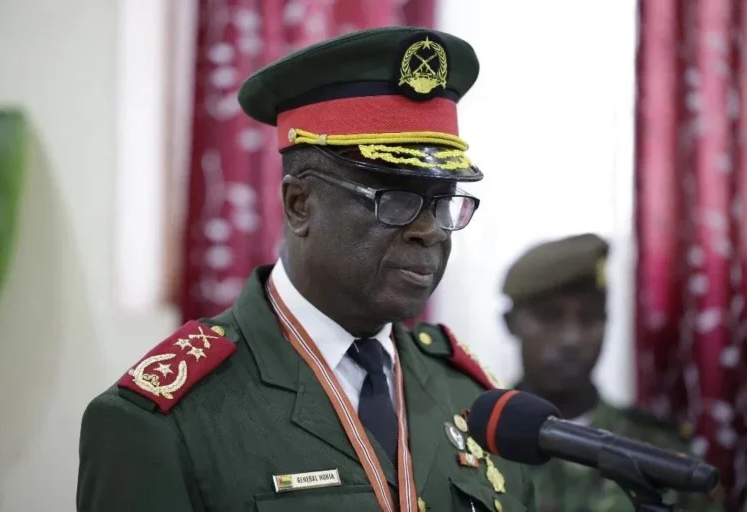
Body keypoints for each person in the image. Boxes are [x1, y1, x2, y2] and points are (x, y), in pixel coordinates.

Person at [77, 27, 535, 512]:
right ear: (299, 204)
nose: (431, 231)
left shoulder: (479, 403)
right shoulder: (167, 422)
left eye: (443, 201)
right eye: (395, 199)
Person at [502, 233, 722, 512]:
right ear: (510, 323)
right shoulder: (478, 441)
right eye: (550, 317)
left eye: (589, 318)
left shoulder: (660, 452)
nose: (572, 339)